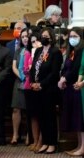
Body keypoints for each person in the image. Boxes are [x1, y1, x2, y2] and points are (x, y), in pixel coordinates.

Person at [30, 27, 62, 154]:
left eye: (46, 36)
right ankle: (45, 142)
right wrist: (33, 82)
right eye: (42, 35)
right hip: (37, 89)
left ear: (51, 37)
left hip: (49, 89)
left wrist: (41, 84)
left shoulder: (55, 52)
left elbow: (54, 73)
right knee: (41, 116)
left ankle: (52, 143)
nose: (43, 37)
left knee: (50, 117)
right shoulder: (38, 50)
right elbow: (33, 68)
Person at [58, 27, 84, 156]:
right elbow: (65, 67)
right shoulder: (71, 51)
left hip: (77, 87)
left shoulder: (81, 51)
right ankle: (79, 145)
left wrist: (65, 79)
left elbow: (76, 69)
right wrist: (62, 78)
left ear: (80, 38)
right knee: (75, 119)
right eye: (71, 36)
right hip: (69, 87)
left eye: (75, 36)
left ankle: (82, 147)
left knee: (80, 118)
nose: (72, 39)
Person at [10, 28, 32, 146]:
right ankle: (15, 135)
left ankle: (30, 135)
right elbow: (14, 66)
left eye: (27, 36)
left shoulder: (33, 50)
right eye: (22, 36)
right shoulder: (18, 51)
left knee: (29, 109)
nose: (25, 38)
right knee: (16, 109)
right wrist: (22, 77)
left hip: (30, 82)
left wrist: (27, 78)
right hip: (19, 81)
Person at [25, 32, 43, 152]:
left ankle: (41, 141)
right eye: (32, 42)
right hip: (29, 86)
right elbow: (25, 69)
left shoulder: (44, 54)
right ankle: (35, 140)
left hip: (41, 87)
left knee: (41, 115)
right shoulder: (27, 54)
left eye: (37, 41)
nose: (35, 43)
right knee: (33, 116)